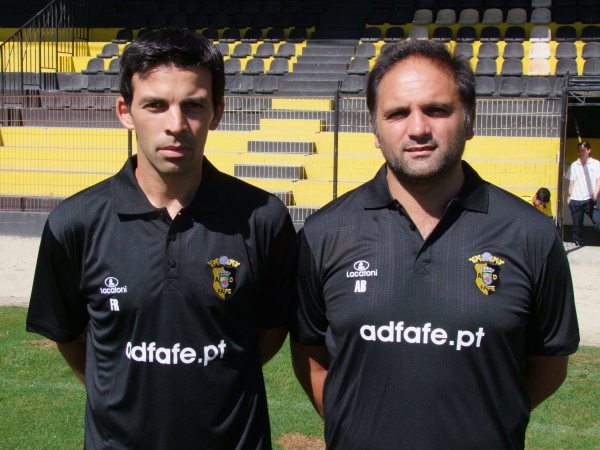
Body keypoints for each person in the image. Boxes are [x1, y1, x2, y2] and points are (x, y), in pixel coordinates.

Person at [290, 39, 579, 449]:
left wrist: (487, 422)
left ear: (469, 121)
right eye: (397, 113)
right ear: (375, 128)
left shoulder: (531, 235)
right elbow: (309, 356)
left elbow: (549, 366)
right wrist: (353, 426)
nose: (418, 129)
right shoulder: (324, 233)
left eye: (437, 110)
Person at [26, 28, 296, 449]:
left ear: (217, 113)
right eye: (155, 105)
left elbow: (271, 330)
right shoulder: (75, 222)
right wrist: (118, 388)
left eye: (193, 105)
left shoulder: (264, 219)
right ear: (125, 111)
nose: (176, 125)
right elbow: (68, 335)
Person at [566, 141, 600, 246]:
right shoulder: (574, 165)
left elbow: (599, 181)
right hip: (575, 200)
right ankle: (578, 243)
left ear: (589, 150)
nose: (580, 153)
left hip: (589, 199)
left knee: (598, 221)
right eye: (579, 151)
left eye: (583, 150)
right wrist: (569, 197)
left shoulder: (596, 163)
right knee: (577, 226)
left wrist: (595, 195)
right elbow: (571, 182)